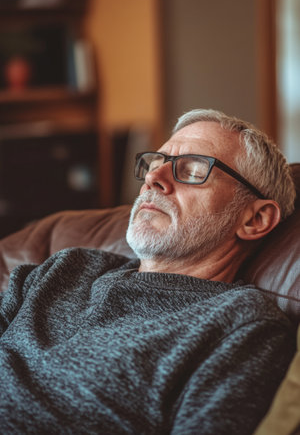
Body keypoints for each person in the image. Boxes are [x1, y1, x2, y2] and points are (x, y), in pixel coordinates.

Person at [0, 109, 296, 434]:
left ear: (255, 220)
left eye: (193, 169)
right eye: (157, 163)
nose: (154, 179)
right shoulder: (64, 268)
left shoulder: (241, 325)